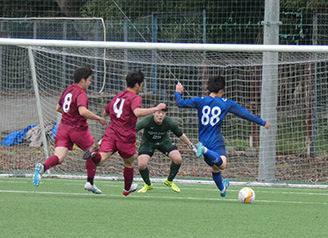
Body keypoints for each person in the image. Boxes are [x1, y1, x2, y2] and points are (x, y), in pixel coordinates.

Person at [175, 75, 270, 197]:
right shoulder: (226, 103)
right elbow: (245, 114)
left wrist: (178, 92)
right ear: (221, 91)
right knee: (223, 164)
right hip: (215, 140)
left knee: (215, 168)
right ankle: (204, 150)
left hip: (202, 139)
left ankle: (222, 189)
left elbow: (180, 103)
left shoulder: (200, 100)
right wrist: (262, 122)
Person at [83, 70, 166, 196]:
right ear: (137, 85)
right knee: (130, 162)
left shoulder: (118, 96)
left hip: (111, 132)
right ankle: (127, 189)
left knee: (99, 160)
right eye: (142, 84)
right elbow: (137, 112)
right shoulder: (135, 98)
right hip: (125, 135)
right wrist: (156, 108)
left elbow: (106, 112)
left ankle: (94, 154)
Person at [32, 66, 107, 194]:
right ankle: (90, 182)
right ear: (82, 80)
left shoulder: (68, 90)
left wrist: (70, 114)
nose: (90, 83)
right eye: (89, 80)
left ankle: (43, 167)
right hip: (78, 130)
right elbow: (82, 111)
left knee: (59, 157)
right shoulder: (81, 93)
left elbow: (58, 108)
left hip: (63, 129)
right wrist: (98, 118)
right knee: (93, 151)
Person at [136, 106, 196, 193]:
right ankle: (148, 185)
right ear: (154, 113)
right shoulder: (147, 120)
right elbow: (133, 130)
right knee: (142, 164)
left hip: (164, 142)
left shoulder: (168, 122)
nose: (160, 115)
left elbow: (180, 134)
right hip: (148, 143)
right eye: (158, 113)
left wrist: (192, 146)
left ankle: (169, 180)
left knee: (178, 159)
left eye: (163, 113)